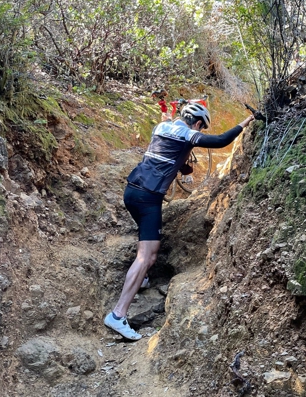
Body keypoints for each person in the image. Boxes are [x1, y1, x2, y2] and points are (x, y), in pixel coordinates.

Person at [104, 103, 255, 340]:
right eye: (201, 127)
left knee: (146, 243)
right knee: (148, 255)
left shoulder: (161, 127)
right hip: (149, 197)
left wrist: (184, 162)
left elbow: (172, 159)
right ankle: (118, 314)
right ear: (196, 123)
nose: (200, 130)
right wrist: (245, 122)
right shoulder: (187, 133)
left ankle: (140, 279)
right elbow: (220, 141)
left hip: (132, 192)